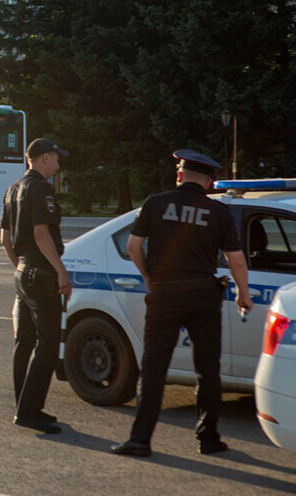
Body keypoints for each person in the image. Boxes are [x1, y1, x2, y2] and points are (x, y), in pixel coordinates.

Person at [111, 149, 252, 457]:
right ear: (208, 182)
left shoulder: (155, 203)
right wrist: (244, 293)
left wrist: (149, 276)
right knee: (207, 369)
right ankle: (208, 438)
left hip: (164, 294)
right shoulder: (218, 212)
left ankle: (140, 440)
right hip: (203, 295)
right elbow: (237, 260)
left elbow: (134, 245)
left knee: (154, 367)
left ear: (179, 176)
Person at [0, 138, 71, 434]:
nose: (58, 164)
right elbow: (42, 234)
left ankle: (24, 405)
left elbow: (4, 239)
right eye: (56, 158)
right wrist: (61, 272)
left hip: (23, 271)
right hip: (42, 275)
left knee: (25, 342)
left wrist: (20, 266)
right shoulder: (41, 189)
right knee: (49, 344)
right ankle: (29, 411)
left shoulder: (13, 188)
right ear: (43, 159)